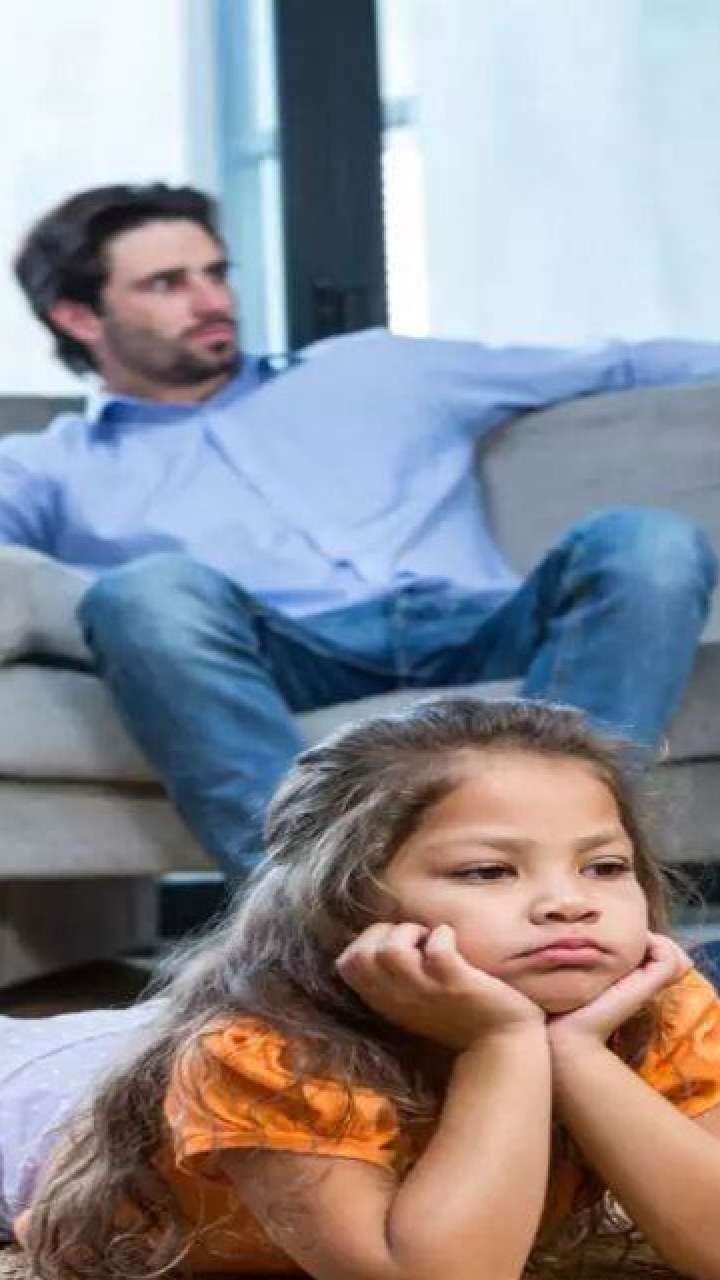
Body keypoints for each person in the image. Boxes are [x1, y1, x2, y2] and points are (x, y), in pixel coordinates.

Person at [10, 183, 720, 879]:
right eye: (168, 284)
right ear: (80, 317)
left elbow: (617, 364)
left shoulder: (379, 367)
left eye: (216, 273)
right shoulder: (51, 466)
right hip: (289, 660)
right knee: (147, 592)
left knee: (648, 543)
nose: (212, 301)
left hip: (479, 627)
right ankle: (305, 904)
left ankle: (556, 850)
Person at [3, 697, 720, 1280]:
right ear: (344, 903)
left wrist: (576, 1054)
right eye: (487, 871)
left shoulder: (651, 1006)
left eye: (604, 867)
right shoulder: (263, 1054)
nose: (569, 903)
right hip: (44, 1097)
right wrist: (502, 1043)